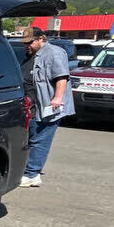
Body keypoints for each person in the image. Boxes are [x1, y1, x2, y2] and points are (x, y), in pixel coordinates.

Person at [20, 27, 74, 187]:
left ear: (41, 38)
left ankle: (32, 174)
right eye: (24, 43)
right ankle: (28, 169)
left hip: (46, 106)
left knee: (40, 140)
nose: (26, 46)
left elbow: (62, 77)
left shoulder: (54, 53)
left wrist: (57, 98)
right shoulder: (32, 55)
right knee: (31, 138)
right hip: (31, 105)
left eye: (30, 42)